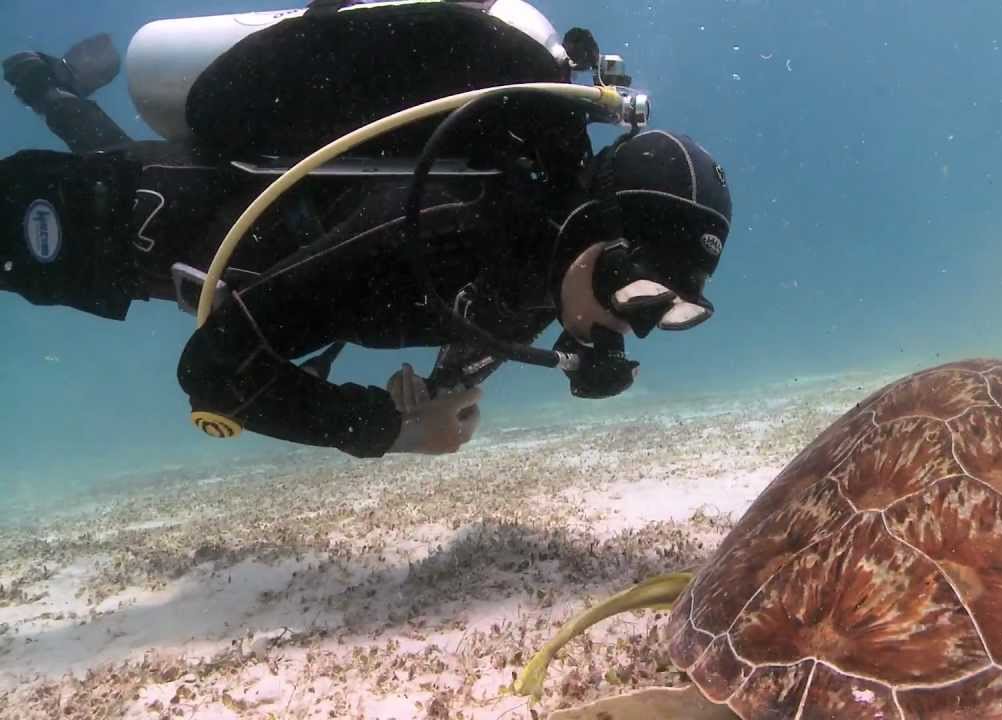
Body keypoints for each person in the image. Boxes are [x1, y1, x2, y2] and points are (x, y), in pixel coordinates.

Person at [0, 0, 733, 459]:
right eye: (638, 296)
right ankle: (48, 87)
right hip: (130, 221)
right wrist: (390, 430)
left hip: (195, 221)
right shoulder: (448, 223)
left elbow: (474, 341)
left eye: (664, 313)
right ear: (596, 242)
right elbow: (215, 372)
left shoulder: (540, 270)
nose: (628, 328)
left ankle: (48, 84)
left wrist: (443, 395)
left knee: (117, 159)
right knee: (95, 194)